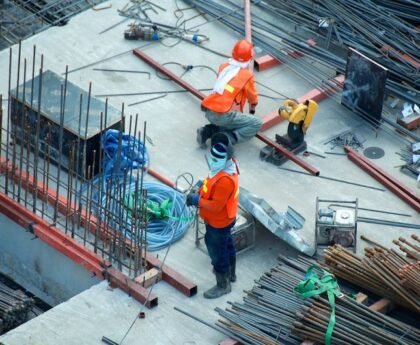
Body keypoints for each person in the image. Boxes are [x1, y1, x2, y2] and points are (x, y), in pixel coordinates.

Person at [186, 133, 239, 299]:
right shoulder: (226, 166)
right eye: (213, 156)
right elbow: (210, 180)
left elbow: (216, 206)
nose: (213, 160)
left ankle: (223, 285)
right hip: (225, 219)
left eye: (217, 158)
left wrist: (196, 199)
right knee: (227, 244)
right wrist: (200, 186)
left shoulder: (225, 180)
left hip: (219, 221)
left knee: (217, 251)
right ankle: (231, 274)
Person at [197, 39, 262, 148]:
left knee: (227, 121)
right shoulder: (247, 75)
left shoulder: (224, 66)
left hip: (209, 110)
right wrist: (253, 107)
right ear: (250, 58)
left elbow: (226, 87)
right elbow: (252, 97)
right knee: (256, 123)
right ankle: (227, 138)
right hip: (223, 115)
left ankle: (206, 131)